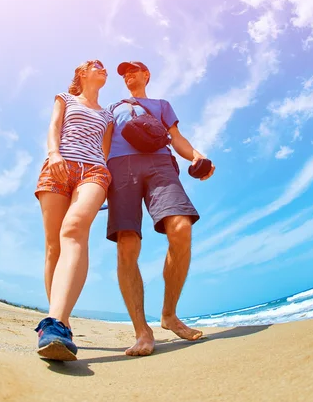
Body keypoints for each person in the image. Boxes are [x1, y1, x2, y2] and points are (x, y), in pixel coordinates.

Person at [104, 61, 215, 356]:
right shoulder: (112, 107)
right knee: (127, 244)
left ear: (146, 75)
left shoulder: (161, 104)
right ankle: (142, 331)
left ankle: (169, 314)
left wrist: (197, 156)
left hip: (159, 163)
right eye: (124, 73)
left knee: (180, 227)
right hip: (120, 167)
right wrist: (98, 173)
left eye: (133, 71)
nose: (128, 75)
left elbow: (176, 138)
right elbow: (103, 141)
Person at [34, 59, 113, 361]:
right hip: (58, 165)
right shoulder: (64, 98)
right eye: (96, 64)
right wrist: (53, 154)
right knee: (54, 247)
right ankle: (60, 320)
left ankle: (54, 325)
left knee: (74, 230)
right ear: (82, 73)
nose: (102, 68)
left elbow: (104, 152)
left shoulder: (108, 115)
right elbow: (55, 126)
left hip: (94, 172)